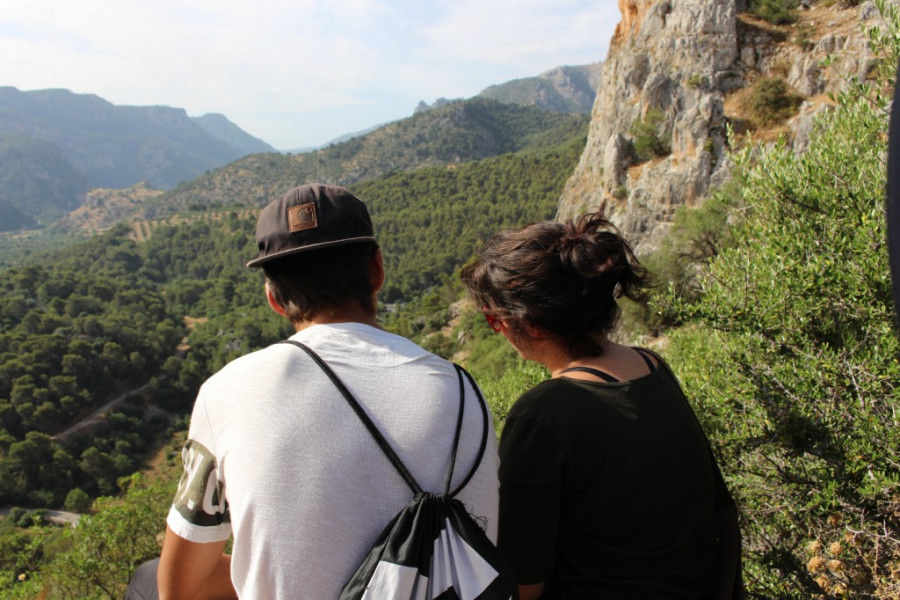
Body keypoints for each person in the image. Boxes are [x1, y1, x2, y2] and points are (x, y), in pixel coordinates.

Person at [154, 183, 500, 599]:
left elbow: (180, 587)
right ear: (377, 270)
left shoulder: (226, 391)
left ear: (274, 298)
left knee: (146, 577)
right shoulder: (464, 389)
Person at [460, 212, 744, 600]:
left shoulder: (543, 415)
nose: (499, 330)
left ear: (535, 324)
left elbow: (525, 583)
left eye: (496, 320)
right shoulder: (652, 366)